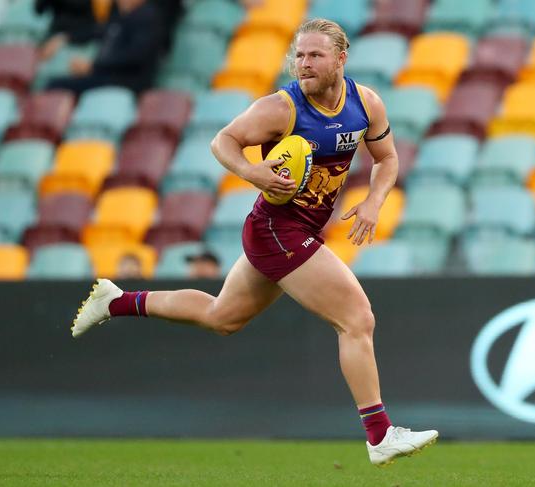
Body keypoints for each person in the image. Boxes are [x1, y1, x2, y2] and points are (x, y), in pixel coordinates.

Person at [72, 18, 438, 466]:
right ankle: (380, 435)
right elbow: (222, 141)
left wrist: (374, 202)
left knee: (221, 316)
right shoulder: (280, 109)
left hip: (295, 230)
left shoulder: (366, 104)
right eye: (299, 55)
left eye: (315, 55)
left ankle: (116, 301)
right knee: (356, 319)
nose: (304, 63)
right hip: (277, 230)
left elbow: (387, 158)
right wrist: (251, 171)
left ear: (341, 58)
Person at [45, 0, 167, 95]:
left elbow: (135, 56)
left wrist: (94, 66)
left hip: (128, 81)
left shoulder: (147, 16)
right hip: (108, 75)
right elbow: (98, 31)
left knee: (57, 85)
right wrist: (66, 36)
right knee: (56, 81)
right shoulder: (123, 16)